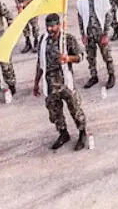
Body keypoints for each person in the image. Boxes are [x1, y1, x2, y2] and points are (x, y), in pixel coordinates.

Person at [33, 14, 88, 151]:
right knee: (55, 113)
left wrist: (68, 58)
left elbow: (81, 56)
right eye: (48, 26)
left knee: (75, 109)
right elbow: (40, 62)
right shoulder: (43, 40)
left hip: (65, 83)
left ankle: (82, 133)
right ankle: (63, 134)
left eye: (53, 26)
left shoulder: (67, 39)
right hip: (50, 84)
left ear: (58, 25)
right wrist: (36, 83)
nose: (50, 29)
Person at [78, 0, 115, 90]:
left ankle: (111, 75)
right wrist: (83, 34)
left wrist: (105, 34)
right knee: (91, 57)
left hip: (100, 32)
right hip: (89, 33)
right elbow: (80, 17)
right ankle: (93, 76)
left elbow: (109, 17)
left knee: (106, 55)